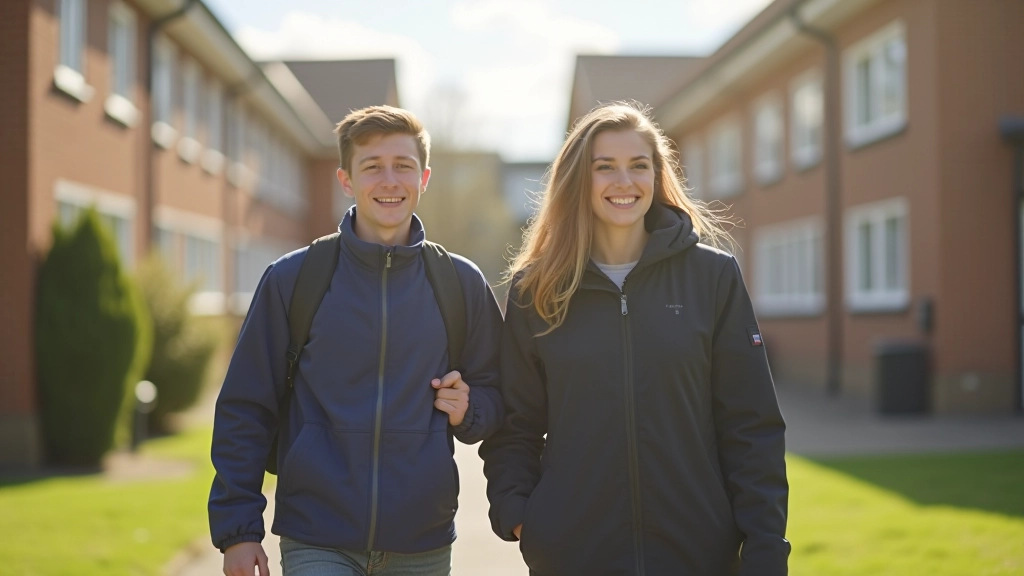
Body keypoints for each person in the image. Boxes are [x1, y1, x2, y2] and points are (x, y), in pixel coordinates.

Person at [480, 102, 790, 576]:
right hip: (574, 557)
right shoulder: (535, 291)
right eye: (605, 168)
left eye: (638, 166)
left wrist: (766, 550)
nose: (624, 182)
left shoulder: (712, 277)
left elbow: (752, 427)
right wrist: (525, 519)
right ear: (578, 181)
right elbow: (515, 427)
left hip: (699, 556)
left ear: (657, 176)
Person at [210, 105, 504, 576]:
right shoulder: (293, 278)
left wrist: (471, 408)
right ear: (346, 180)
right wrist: (238, 531)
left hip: (421, 541)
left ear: (423, 177)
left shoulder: (460, 283)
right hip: (316, 536)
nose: (390, 180)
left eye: (403, 166)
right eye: (373, 167)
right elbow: (246, 406)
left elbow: (498, 392)